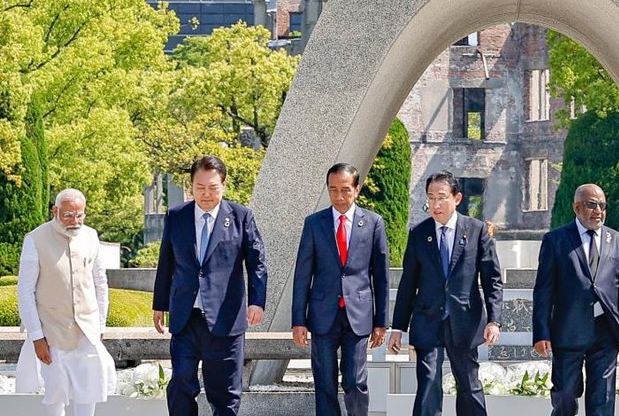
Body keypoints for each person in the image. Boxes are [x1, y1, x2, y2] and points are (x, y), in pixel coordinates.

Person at [152, 155, 268, 416]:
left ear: (223, 185)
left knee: (225, 394)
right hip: (186, 318)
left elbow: (257, 262)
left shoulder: (241, 217)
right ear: (191, 186)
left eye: (212, 187)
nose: (206, 194)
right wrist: (159, 305)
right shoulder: (177, 216)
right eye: (199, 187)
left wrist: (257, 301)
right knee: (181, 383)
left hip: (225, 321)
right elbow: (166, 262)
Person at [388, 171, 503, 416]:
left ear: (457, 198)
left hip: (465, 321)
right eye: (430, 198)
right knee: (428, 383)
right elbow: (408, 283)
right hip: (427, 320)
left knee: (469, 385)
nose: (435, 205)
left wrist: (494, 320)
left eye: (441, 197)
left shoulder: (476, 231)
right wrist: (398, 328)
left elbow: (492, 279)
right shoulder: (419, 234)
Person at [292, 163, 390, 416]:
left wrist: (381, 322)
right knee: (324, 383)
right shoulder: (314, 223)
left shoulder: (373, 223)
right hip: (323, 314)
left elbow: (381, 277)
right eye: (333, 190)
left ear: (357, 189)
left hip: (358, 315)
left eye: (345, 190)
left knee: (354, 381)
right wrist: (298, 321)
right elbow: (303, 274)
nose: (339, 196)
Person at [532, 184, 619, 416]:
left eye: (602, 205)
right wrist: (541, 333)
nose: (598, 210)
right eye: (591, 205)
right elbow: (543, 291)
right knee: (565, 395)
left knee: (603, 399)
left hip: (606, 332)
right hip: (568, 331)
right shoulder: (556, 240)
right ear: (577, 207)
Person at [15, 188, 116, 416]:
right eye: (68, 215)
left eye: (79, 215)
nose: (75, 221)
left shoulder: (91, 236)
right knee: (56, 395)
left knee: (89, 391)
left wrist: (100, 326)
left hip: (87, 330)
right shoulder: (35, 239)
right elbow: (25, 291)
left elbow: (100, 282)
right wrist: (37, 336)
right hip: (52, 332)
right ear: (55, 211)